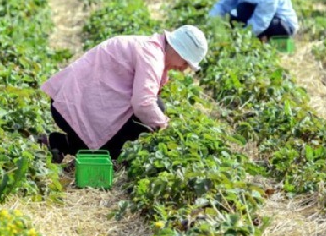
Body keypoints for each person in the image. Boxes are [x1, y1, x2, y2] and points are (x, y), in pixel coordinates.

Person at [38, 25, 208, 162]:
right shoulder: (152, 56)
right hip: (69, 107)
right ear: (177, 50)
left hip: (70, 102)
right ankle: (69, 144)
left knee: (147, 116)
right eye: (185, 62)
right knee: (146, 120)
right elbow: (143, 103)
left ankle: (58, 143)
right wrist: (166, 128)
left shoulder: (152, 49)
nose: (184, 68)